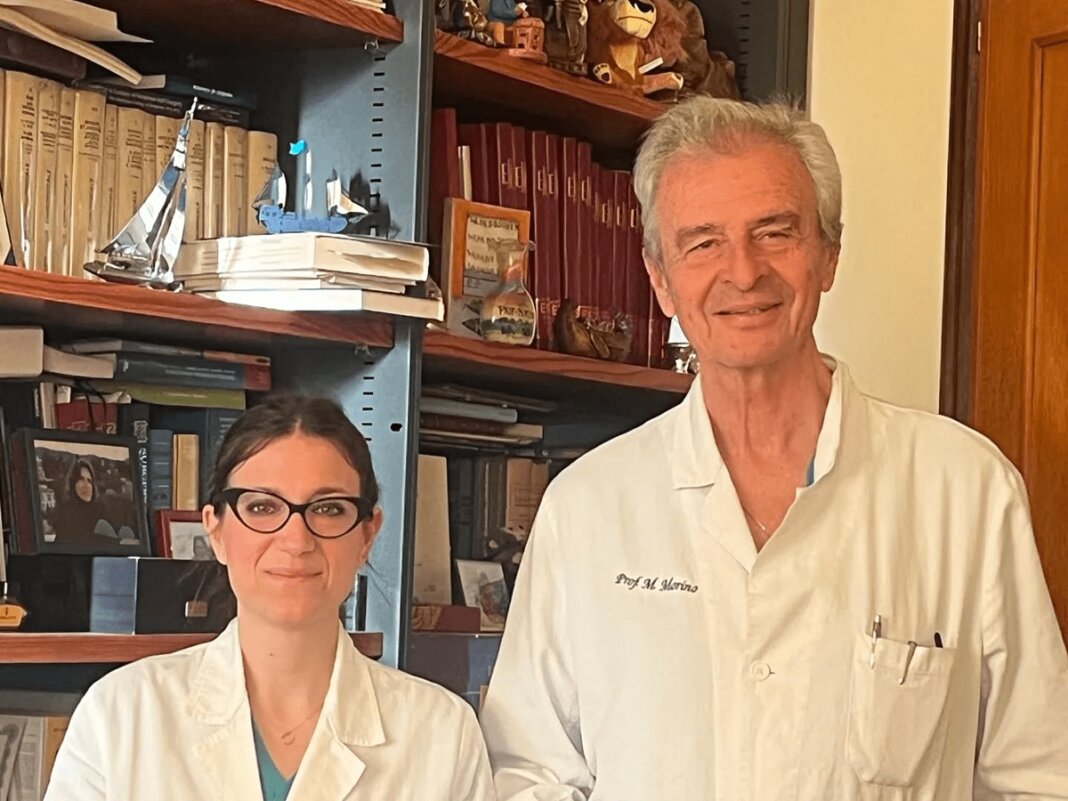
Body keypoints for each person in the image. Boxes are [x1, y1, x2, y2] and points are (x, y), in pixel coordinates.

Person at [479, 97, 1068, 799]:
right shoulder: (588, 506)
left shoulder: (963, 490)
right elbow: (532, 772)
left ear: (828, 255)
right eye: (703, 242)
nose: (744, 271)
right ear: (660, 279)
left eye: (774, 232)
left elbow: (1038, 773)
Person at [46, 395, 494, 800]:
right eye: (262, 507)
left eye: (328, 509)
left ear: (366, 535)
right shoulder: (119, 715)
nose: (296, 540)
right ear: (215, 531)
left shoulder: (442, 733)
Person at [50, 458, 137, 548]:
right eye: (81, 479)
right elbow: (81, 539)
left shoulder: (98, 509)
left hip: (107, 552)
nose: (86, 485)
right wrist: (119, 542)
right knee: (102, 526)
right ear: (73, 484)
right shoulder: (66, 511)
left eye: (89, 481)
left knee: (125, 531)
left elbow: (114, 528)